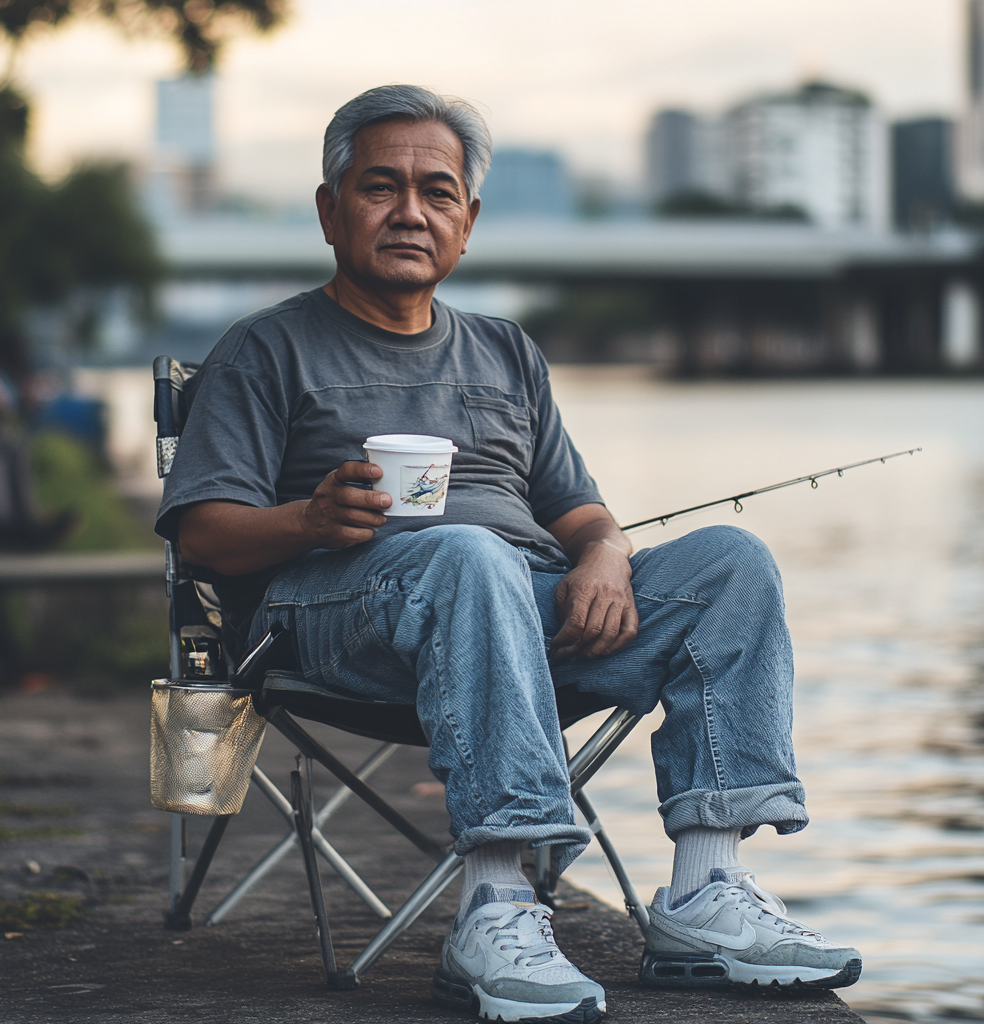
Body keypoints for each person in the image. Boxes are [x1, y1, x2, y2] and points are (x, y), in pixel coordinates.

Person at [156, 85, 861, 1023]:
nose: (412, 211)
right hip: (335, 617)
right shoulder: (267, 349)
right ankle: (496, 901)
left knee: (730, 561)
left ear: (469, 221)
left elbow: (579, 512)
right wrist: (310, 521)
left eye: (438, 192)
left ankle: (706, 892)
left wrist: (605, 556)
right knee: (469, 557)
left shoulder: (504, 352)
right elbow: (202, 533)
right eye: (381, 187)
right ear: (330, 210)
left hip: (524, 613)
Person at [0, 275, 75, 553]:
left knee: (9, 440)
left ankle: (20, 519)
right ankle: (3, 522)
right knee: (0, 441)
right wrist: (7, 401)